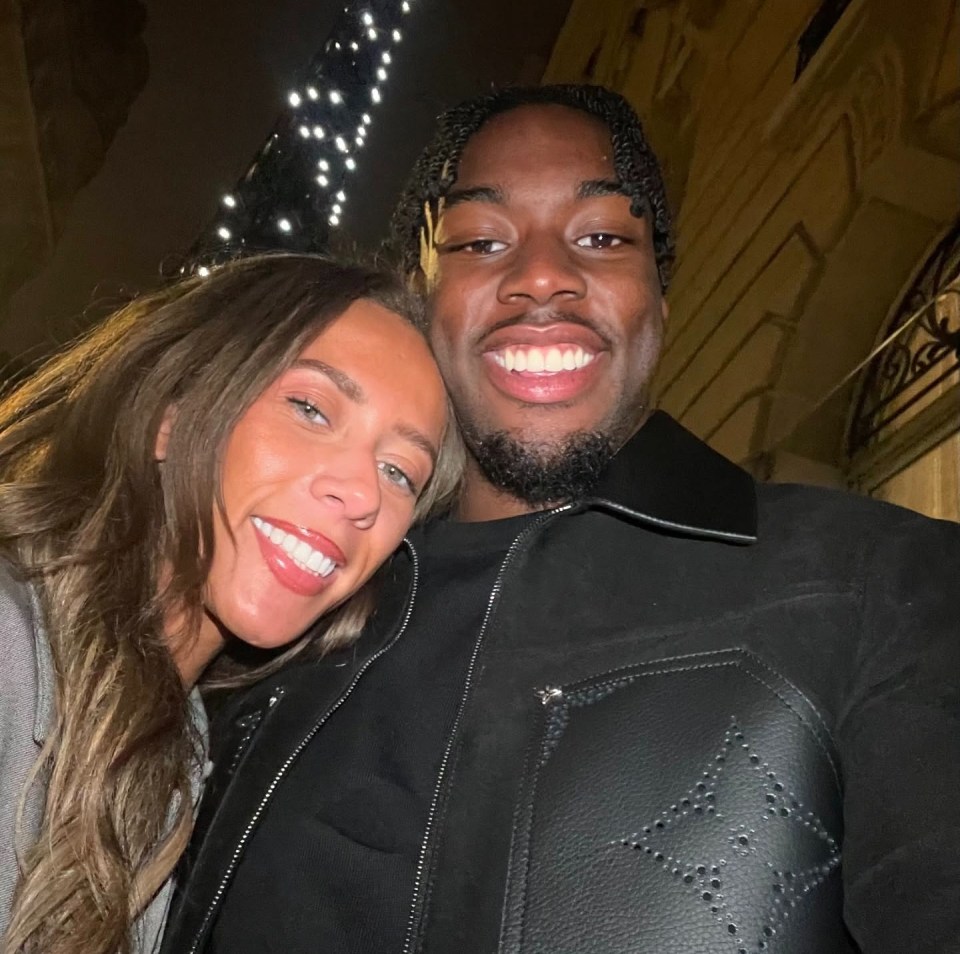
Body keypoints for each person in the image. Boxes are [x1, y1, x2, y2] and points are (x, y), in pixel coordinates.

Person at [162, 86, 960, 954]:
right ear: (427, 300)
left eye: (603, 237)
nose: (541, 275)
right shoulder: (286, 626)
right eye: (479, 241)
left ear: (659, 300)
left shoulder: (879, 585)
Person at [0, 253, 460, 954]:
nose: (363, 495)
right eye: (311, 409)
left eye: (400, 471)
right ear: (170, 413)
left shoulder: (182, 756)